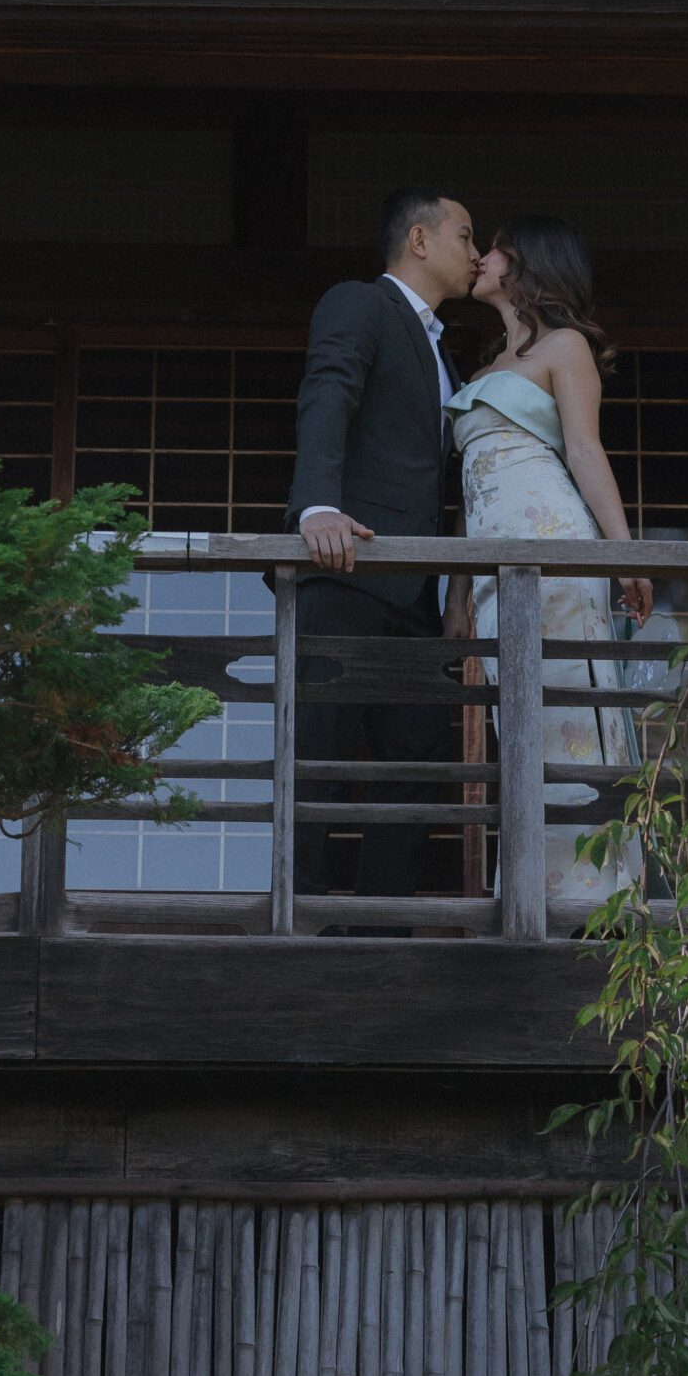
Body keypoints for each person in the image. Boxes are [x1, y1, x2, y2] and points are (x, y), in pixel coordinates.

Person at [443, 217, 652, 917]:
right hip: (495, 569)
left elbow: (586, 453)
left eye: (494, 246)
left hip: (555, 551)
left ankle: (599, 898)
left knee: (572, 719)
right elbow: (468, 496)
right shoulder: (482, 367)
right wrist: (457, 595)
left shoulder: (566, 348)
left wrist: (623, 556)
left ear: (528, 264)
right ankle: (534, 892)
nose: (480, 257)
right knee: (521, 727)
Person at [285, 187, 479, 913]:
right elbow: (327, 390)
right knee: (322, 748)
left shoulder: (445, 355)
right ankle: (301, 917)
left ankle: (381, 923)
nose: (477, 251)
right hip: (345, 568)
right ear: (420, 241)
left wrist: (457, 587)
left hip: (418, 590)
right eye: (466, 235)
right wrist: (318, 505)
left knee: (420, 753)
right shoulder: (360, 303)